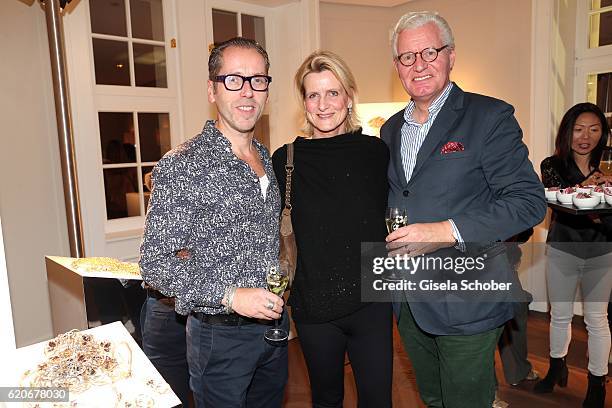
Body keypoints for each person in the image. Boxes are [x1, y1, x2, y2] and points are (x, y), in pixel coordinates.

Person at [381, 11, 547, 407]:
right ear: (397, 67)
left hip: (467, 297)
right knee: (434, 398)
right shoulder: (389, 130)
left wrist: (445, 230)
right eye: (407, 57)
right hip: (407, 301)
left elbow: (528, 202)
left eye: (430, 52)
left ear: (451, 55)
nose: (419, 65)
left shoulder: (488, 117)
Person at [139, 37, 288, 408]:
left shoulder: (265, 157)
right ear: (212, 89)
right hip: (220, 340)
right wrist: (231, 295)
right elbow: (155, 265)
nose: (248, 92)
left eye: (258, 80)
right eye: (233, 80)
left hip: (273, 331)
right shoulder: (182, 164)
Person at [272, 50, 392, 408]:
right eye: (313, 95)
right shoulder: (286, 159)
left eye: (333, 93)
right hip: (313, 307)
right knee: (325, 399)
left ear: (350, 96)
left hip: (371, 303)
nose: (323, 105)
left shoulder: (376, 152)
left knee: (377, 401)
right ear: (304, 102)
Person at [536, 102, 612, 407]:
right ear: (567, 132)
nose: (586, 136)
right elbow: (561, 206)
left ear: (602, 134)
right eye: (579, 129)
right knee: (560, 316)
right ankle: (557, 368)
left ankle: (597, 384)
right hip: (563, 249)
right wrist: (587, 188)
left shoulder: (607, 169)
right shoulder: (551, 165)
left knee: (597, 319)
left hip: (602, 252)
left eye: (594, 129)